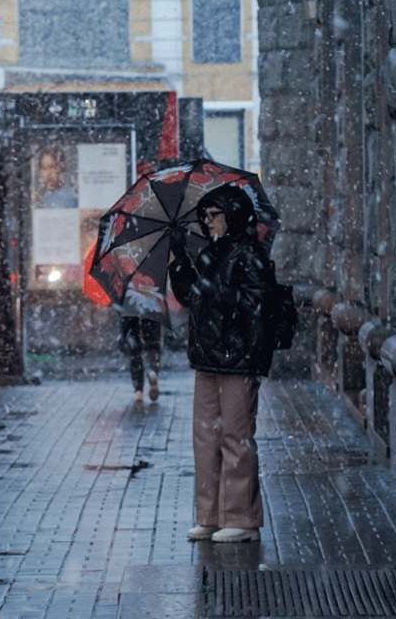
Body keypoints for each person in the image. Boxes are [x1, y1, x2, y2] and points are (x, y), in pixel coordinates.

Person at [168, 185, 274, 544]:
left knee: (235, 438)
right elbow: (189, 295)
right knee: (205, 439)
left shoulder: (249, 254)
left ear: (233, 216)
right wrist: (180, 256)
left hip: (238, 361)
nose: (208, 221)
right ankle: (209, 515)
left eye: (215, 215)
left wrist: (217, 292)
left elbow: (256, 304)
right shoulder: (212, 254)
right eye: (205, 215)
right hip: (208, 359)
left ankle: (241, 518)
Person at [118, 311, 162, 402]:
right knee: (152, 344)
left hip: (130, 311)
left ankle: (138, 389)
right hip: (151, 309)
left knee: (134, 350)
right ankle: (152, 371)